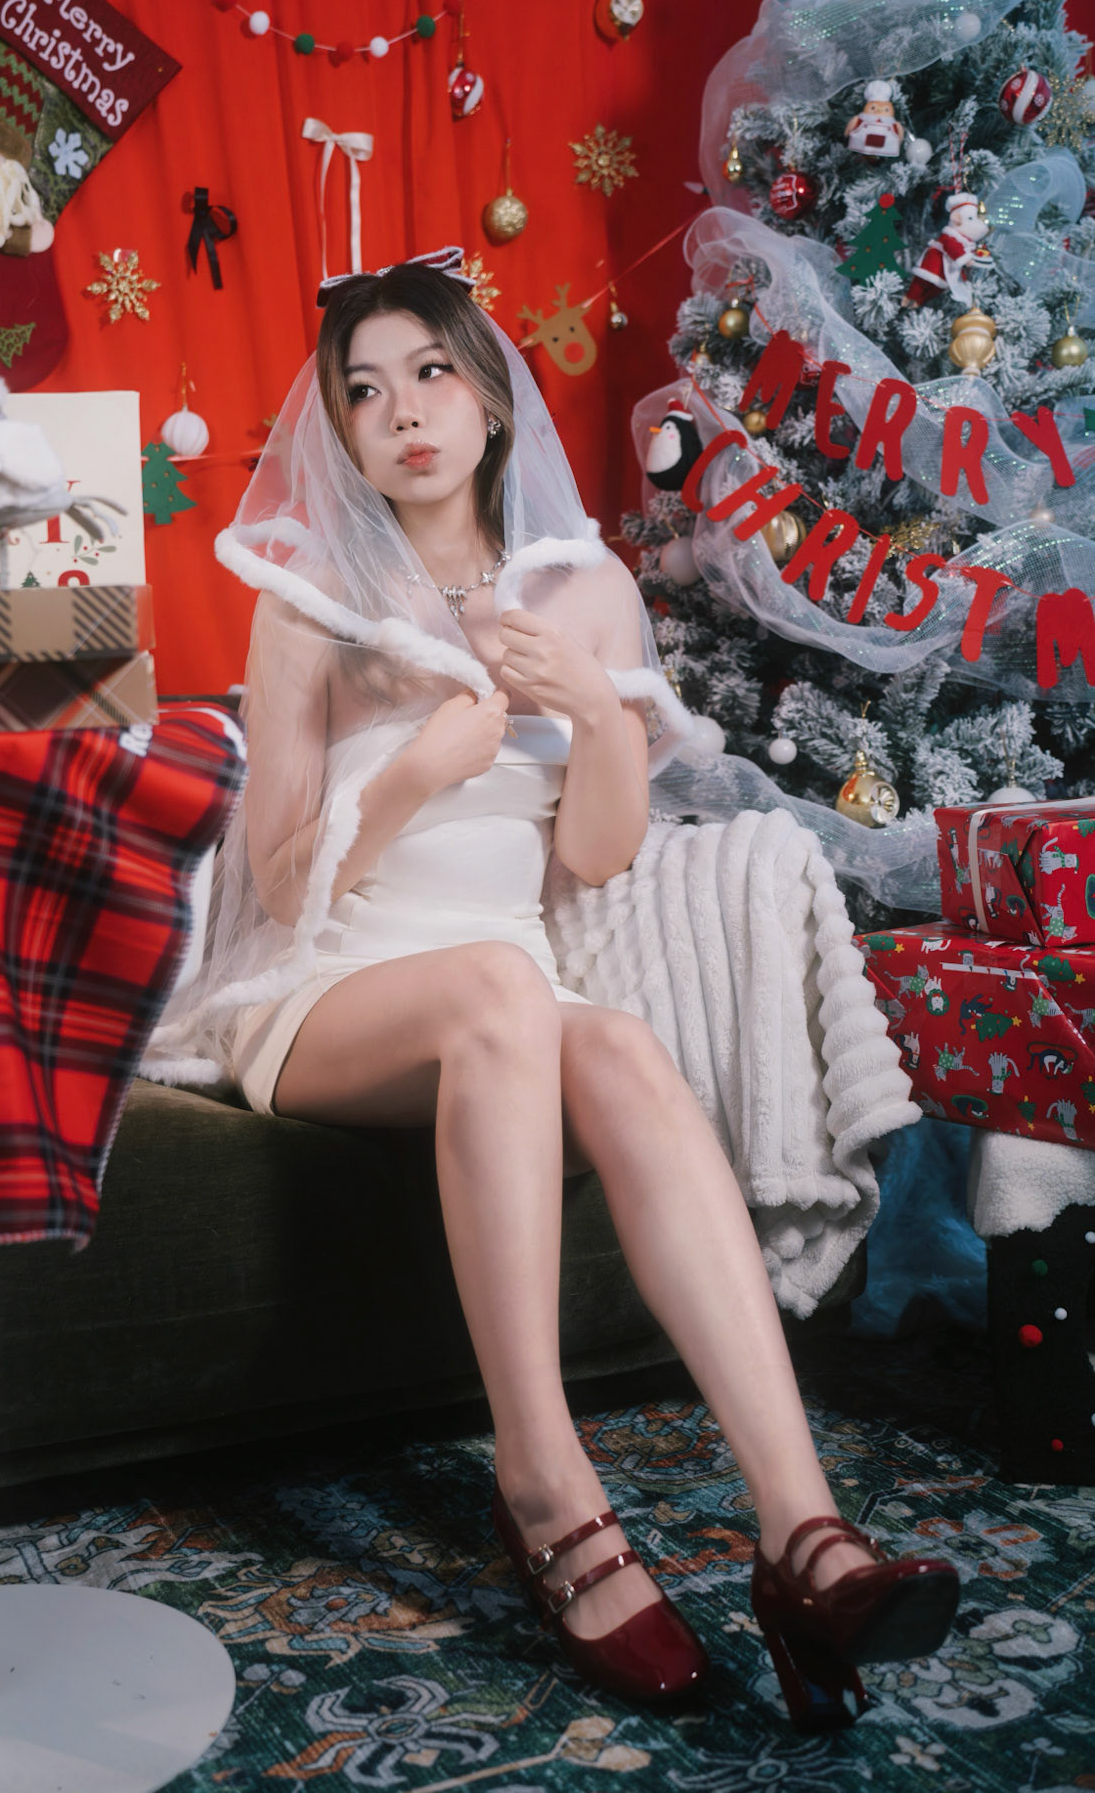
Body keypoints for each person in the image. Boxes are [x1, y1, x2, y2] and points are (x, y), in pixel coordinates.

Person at [141, 248, 958, 1730]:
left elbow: (591, 858)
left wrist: (594, 717)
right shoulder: (312, 598)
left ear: (489, 396)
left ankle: (806, 1538)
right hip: (324, 985)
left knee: (623, 1049)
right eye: (363, 391)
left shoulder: (582, 590)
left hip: (498, 983)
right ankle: (545, 1486)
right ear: (339, 427)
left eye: (429, 374)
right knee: (503, 999)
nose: (402, 412)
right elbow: (275, 876)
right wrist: (413, 775)